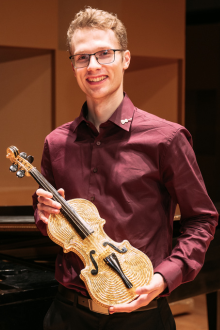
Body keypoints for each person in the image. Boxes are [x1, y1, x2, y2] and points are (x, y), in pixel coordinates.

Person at [33, 7, 218, 330]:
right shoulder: (56, 143)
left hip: (142, 318)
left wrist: (163, 277)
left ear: (126, 58)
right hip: (66, 315)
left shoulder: (167, 138)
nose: (93, 66)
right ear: (73, 65)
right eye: (82, 57)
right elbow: (48, 224)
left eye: (105, 53)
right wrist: (44, 214)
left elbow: (202, 219)